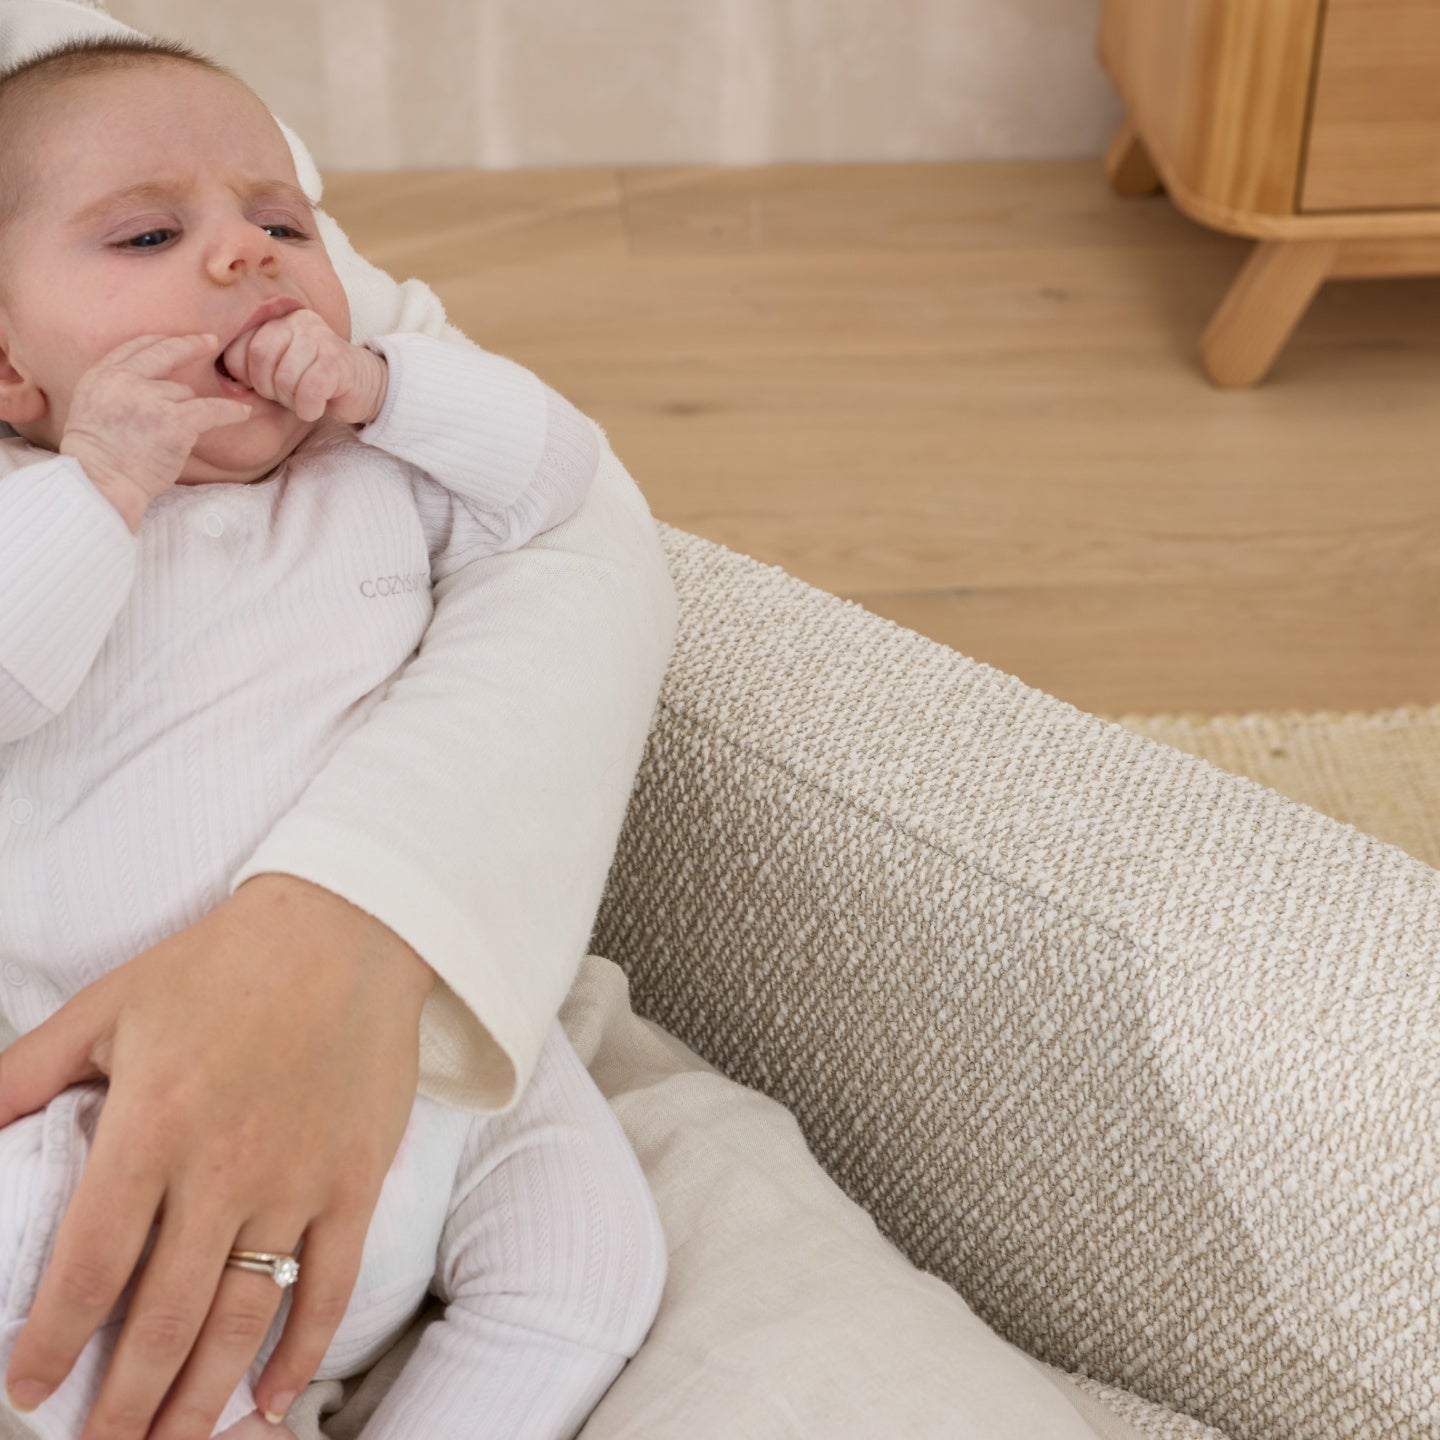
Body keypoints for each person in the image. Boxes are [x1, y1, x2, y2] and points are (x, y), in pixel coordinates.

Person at [0, 31, 668, 1440]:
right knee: (36, 1268)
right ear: (9, 370)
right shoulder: (33, 506)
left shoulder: (378, 465)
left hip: (423, 1048)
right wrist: (106, 479)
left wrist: (389, 384)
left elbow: (561, 487)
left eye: (280, 221)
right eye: (147, 233)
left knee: (594, 1262)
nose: (243, 254)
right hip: (100, 1079)